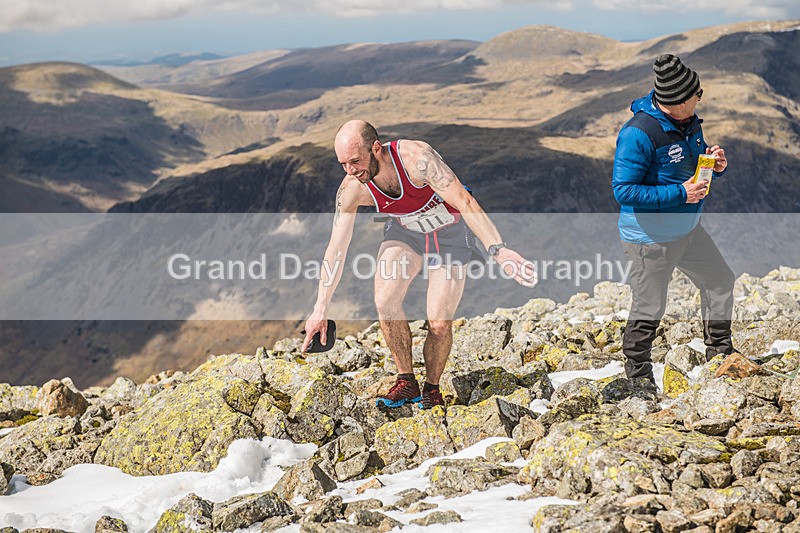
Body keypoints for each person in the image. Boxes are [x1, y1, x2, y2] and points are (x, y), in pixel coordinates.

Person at [301, 120, 537, 409]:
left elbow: (465, 201)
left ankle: (432, 388)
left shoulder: (417, 160)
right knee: (385, 300)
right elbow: (336, 247)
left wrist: (498, 251)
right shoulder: (353, 187)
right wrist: (320, 307)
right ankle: (406, 381)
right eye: (343, 164)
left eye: (356, 161)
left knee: (438, 321)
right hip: (407, 232)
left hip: (450, 234)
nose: (351, 170)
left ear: (376, 148)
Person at [612, 54, 736, 383]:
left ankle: (721, 354)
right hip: (649, 239)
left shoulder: (689, 122)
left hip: (689, 230)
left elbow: (692, 167)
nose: (701, 97)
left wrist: (714, 165)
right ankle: (638, 379)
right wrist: (681, 194)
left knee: (720, 281)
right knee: (650, 307)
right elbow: (623, 191)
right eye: (698, 93)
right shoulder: (638, 134)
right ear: (678, 100)